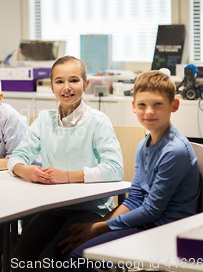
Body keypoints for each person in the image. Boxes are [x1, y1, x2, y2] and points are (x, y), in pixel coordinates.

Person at [60, 71, 200, 272]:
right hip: (146, 223)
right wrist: (98, 224)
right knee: (64, 248)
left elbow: (152, 210)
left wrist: (98, 228)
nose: (149, 111)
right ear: (133, 106)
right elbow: (135, 198)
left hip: (164, 231)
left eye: (157, 104)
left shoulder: (174, 151)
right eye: (142, 105)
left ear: (174, 105)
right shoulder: (144, 145)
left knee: (76, 258)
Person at [8, 56, 124, 271]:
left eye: (74, 80)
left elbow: (115, 169)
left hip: (91, 210)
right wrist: (26, 170)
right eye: (59, 81)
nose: (66, 87)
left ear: (86, 84)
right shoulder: (44, 119)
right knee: (16, 260)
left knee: (45, 262)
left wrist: (67, 176)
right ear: (51, 86)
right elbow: (17, 156)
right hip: (54, 208)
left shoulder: (98, 121)